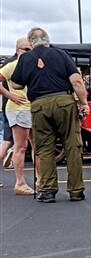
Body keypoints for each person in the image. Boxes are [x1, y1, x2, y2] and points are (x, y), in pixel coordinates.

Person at [10, 28, 89, 203]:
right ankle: (76, 190)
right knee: (72, 146)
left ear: (31, 43)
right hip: (64, 102)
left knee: (44, 148)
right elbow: (76, 80)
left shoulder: (25, 58)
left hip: (39, 104)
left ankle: (47, 190)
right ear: (47, 40)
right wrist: (84, 102)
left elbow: (15, 84)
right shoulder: (60, 54)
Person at [0, 37, 38, 195]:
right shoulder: (13, 65)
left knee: (38, 147)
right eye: (25, 49)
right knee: (20, 146)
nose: (29, 52)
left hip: (33, 109)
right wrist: (10, 95)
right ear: (17, 51)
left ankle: (40, 180)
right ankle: (20, 183)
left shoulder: (36, 65)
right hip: (18, 109)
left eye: (31, 49)